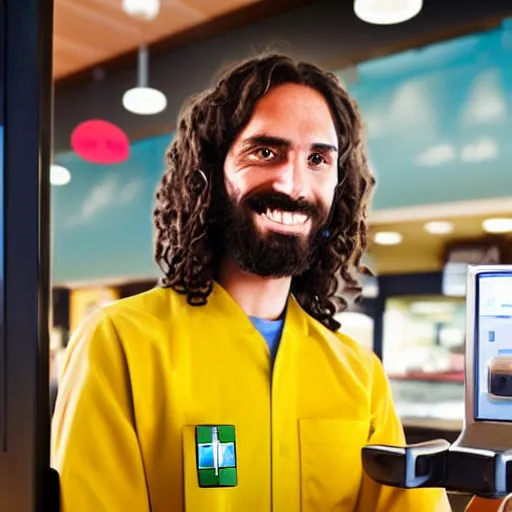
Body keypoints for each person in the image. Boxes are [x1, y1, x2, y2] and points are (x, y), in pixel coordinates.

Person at [50, 53, 451, 511]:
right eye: (265, 151)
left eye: (318, 159)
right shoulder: (119, 344)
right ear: (211, 172)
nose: (293, 183)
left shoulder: (360, 375)